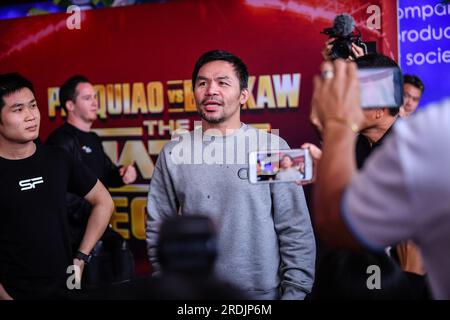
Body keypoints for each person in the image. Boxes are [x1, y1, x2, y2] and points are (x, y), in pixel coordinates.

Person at [146, 50, 316, 300]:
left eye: (223, 83)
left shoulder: (272, 148)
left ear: (243, 95)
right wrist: (170, 285)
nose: (210, 90)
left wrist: (296, 293)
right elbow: (157, 225)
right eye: (202, 83)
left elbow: (294, 226)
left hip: (260, 296)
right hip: (194, 296)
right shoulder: (174, 153)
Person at [311, 59, 450, 299]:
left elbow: (337, 222)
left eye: (351, 95)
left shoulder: (416, 144)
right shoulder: (349, 145)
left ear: (379, 109)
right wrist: (326, 171)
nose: (342, 102)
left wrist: (337, 124)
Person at [0, 73, 114, 299]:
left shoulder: (58, 159)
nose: (31, 116)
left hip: (66, 289)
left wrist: (81, 258)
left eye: (33, 106)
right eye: (18, 109)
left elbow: (104, 202)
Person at [46, 75, 137, 286]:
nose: (95, 102)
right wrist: (94, 210)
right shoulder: (61, 141)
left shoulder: (93, 139)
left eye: (95, 97)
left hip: (97, 227)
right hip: (74, 237)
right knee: (81, 288)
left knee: (120, 258)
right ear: (70, 105)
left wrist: (122, 175)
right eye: (87, 98)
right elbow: (57, 194)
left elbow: (106, 176)